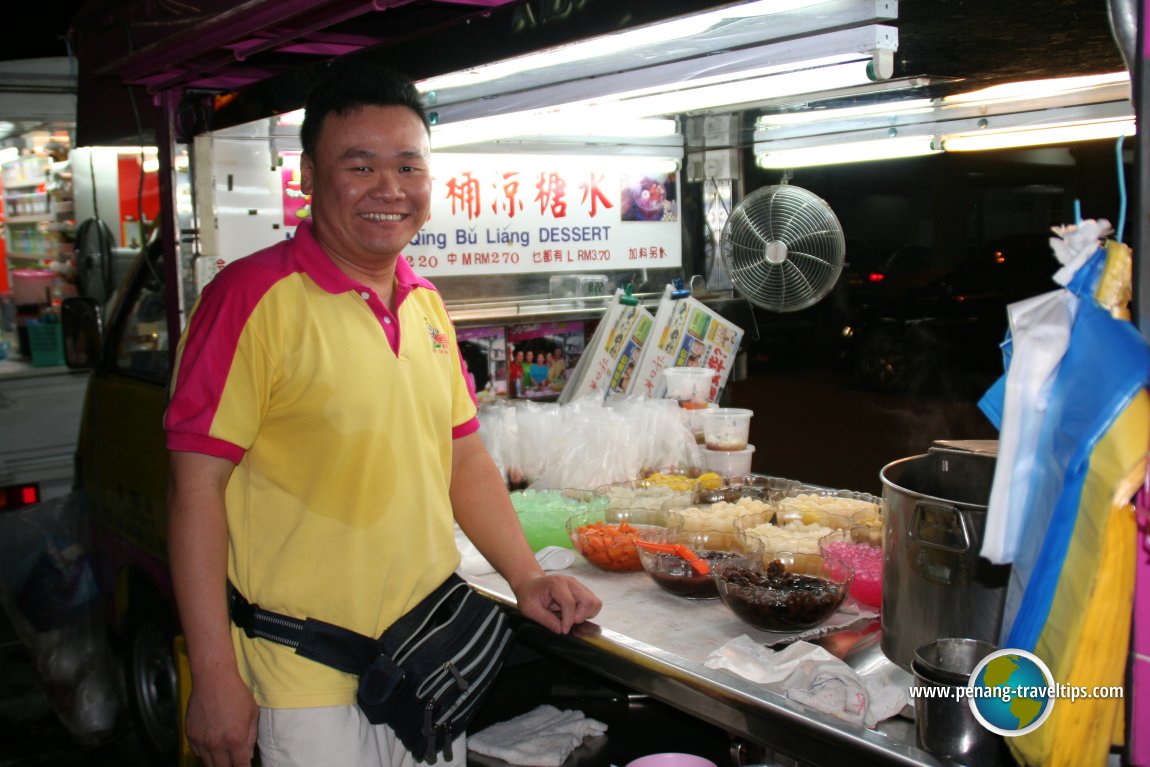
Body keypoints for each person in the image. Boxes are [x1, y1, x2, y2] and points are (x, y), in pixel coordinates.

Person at [164, 62, 601, 767]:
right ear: (308, 174)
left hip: (425, 663)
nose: (389, 189)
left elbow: (463, 457)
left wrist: (526, 576)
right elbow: (195, 490)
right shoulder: (249, 300)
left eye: (408, 165)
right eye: (359, 165)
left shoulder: (424, 302)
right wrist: (215, 674)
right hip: (302, 680)